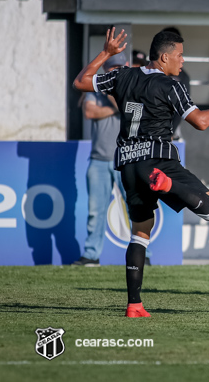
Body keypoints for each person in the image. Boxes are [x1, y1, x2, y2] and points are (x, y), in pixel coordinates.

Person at [73, 28, 209, 317]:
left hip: (128, 165)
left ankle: (134, 304)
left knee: (139, 234)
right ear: (164, 57)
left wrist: (106, 53)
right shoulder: (171, 86)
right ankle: (168, 183)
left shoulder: (122, 74)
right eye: (180, 55)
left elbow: (81, 82)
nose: (182, 61)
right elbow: (201, 122)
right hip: (159, 162)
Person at [72, 52, 131, 267]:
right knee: (95, 211)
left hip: (124, 158)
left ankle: (144, 254)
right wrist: (110, 107)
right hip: (98, 159)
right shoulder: (94, 88)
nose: (113, 71)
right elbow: (89, 112)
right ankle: (91, 255)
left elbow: (124, 109)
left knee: (134, 208)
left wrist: (108, 99)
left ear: (124, 67)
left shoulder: (129, 87)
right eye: (110, 68)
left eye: (117, 68)